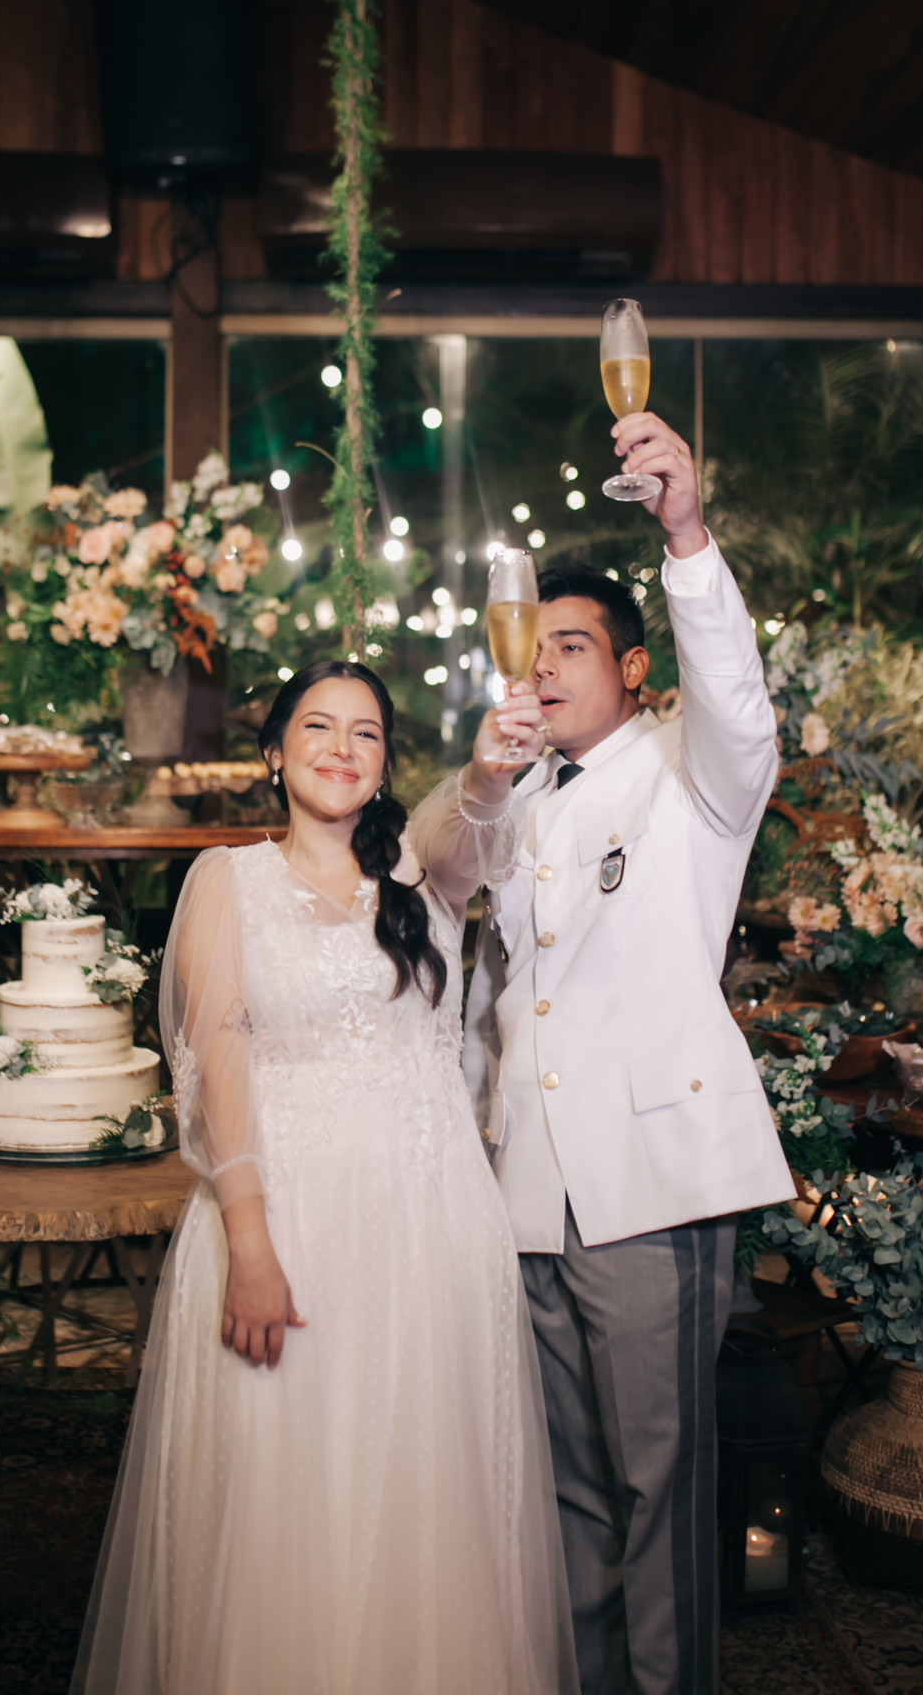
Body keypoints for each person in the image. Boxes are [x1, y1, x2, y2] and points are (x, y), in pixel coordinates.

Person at [71, 661, 579, 1695]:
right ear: (274, 751)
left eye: (366, 734)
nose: (342, 749)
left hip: (430, 1230)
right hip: (290, 1226)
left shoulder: (423, 878)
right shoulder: (228, 881)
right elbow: (217, 1066)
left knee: (425, 1489)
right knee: (289, 1491)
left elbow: (474, 823)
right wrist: (250, 1247)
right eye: (317, 727)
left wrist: (489, 770)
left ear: (386, 764)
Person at [414, 410, 796, 1695]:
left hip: (649, 1184)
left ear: (636, 668)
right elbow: (437, 888)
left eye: (572, 647)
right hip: (532, 1189)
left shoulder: (694, 776)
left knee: (658, 1485)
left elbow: (737, 703)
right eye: (533, 651)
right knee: (570, 1489)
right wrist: (485, 774)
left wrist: (685, 534)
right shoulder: (515, 796)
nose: (546, 668)